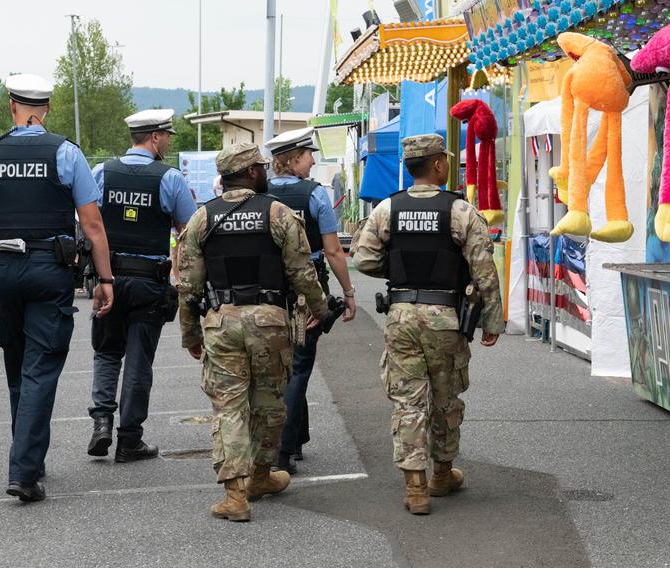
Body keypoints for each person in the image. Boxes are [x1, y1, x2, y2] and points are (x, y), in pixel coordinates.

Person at [0, 74, 114, 502]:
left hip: (3, 269)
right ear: (46, 109)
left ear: (13, 107)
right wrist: (104, 279)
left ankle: (29, 457)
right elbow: (93, 224)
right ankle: (25, 471)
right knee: (41, 368)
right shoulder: (66, 152)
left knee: (18, 368)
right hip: (50, 268)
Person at [352, 134, 504, 515]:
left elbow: (365, 259)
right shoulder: (460, 211)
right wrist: (492, 321)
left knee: (408, 399)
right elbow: (483, 270)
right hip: (445, 318)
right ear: (438, 164)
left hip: (402, 314)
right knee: (445, 396)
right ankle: (441, 473)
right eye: (446, 160)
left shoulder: (387, 209)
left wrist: (401, 269)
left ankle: (414, 487)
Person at [177, 142, 328, 522]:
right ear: (252, 173)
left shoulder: (201, 219)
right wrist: (321, 308)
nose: (264, 172)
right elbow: (302, 272)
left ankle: (235, 495)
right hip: (269, 322)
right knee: (269, 402)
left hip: (221, 321)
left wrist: (190, 334)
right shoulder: (277, 213)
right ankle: (260, 475)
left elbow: (188, 286)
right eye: (260, 168)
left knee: (229, 407)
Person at [86, 109, 197, 462]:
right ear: (154, 138)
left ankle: (101, 422)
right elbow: (191, 231)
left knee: (106, 352)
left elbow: (86, 223)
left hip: (110, 277)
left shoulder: (102, 172)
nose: (167, 142)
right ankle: (129, 438)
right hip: (149, 281)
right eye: (166, 136)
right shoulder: (170, 179)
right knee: (138, 362)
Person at [265, 126, 356, 474]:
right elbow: (333, 250)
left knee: (278, 366)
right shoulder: (315, 195)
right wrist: (348, 293)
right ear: (293, 160)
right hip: (306, 294)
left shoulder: (262, 194)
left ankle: (297, 437)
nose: (313, 160)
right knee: (299, 367)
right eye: (308, 155)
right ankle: (284, 449)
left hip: (270, 292)